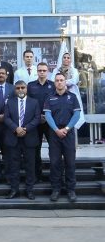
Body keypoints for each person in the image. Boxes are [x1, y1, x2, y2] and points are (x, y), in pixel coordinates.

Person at [44, 73, 82, 202]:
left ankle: (71, 190)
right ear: (54, 83)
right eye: (57, 80)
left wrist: (66, 129)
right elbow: (48, 116)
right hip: (54, 134)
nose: (59, 82)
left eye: (61, 80)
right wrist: (56, 130)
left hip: (68, 133)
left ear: (65, 82)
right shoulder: (49, 98)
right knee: (54, 162)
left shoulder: (73, 97)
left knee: (70, 162)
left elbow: (76, 115)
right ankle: (56, 189)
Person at [3, 80, 41, 200]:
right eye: (18, 88)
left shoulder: (34, 102)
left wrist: (25, 129)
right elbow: (6, 118)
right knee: (14, 166)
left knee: (30, 166)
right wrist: (16, 128)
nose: (20, 90)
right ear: (15, 90)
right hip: (13, 138)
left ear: (26, 89)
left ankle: (29, 190)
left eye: (22, 87)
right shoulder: (9, 102)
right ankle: (14, 190)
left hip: (29, 138)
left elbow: (37, 118)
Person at [27, 62, 56, 182]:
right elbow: (28, 103)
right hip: (35, 122)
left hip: (50, 122)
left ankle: (54, 176)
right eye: (40, 70)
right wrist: (38, 116)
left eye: (44, 70)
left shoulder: (53, 85)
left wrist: (47, 116)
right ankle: (36, 176)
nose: (42, 72)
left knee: (53, 149)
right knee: (35, 149)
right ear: (37, 71)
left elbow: (56, 102)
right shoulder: (30, 86)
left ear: (47, 71)